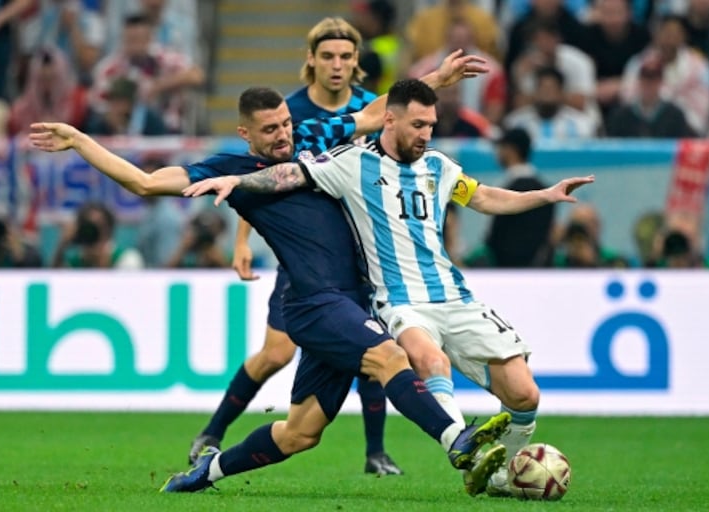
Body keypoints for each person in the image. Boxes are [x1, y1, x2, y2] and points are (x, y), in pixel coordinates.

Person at [29, 54, 514, 497]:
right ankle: (457, 440)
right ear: (246, 134)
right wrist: (80, 141)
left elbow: (380, 113)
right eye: (271, 130)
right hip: (314, 302)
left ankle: (207, 471)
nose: (284, 135)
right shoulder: (230, 171)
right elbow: (145, 181)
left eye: (286, 123)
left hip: (354, 300)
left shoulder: (314, 138)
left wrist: (436, 81)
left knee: (300, 432)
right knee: (389, 356)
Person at [183, 79, 594, 496]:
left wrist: (545, 195)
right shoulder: (351, 162)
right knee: (423, 359)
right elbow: (288, 174)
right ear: (391, 120)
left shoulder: (439, 166)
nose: (426, 134)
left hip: (453, 295)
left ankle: (498, 475)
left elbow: (484, 197)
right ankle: (458, 442)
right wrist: (237, 182)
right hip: (395, 301)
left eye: (431, 125)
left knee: (524, 393)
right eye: (419, 125)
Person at [191, 16, 396, 476]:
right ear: (312, 60)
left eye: (346, 56)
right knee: (279, 353)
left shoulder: (370, 110)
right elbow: (259, 179)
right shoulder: (292, 113)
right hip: (301, 256)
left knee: (373, 348)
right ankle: (212, 432)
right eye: (328, 56)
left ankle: (376, 452)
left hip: (356, 252)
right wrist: (244, 240)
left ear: (357, 61)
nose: (337, 65)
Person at [464, 127, 556, 267]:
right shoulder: (545, 191)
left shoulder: (506, 189)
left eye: (501, 147)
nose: (498, 152)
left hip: (505, 270)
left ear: (511, 150)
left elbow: (495, 237)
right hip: (536, 271)